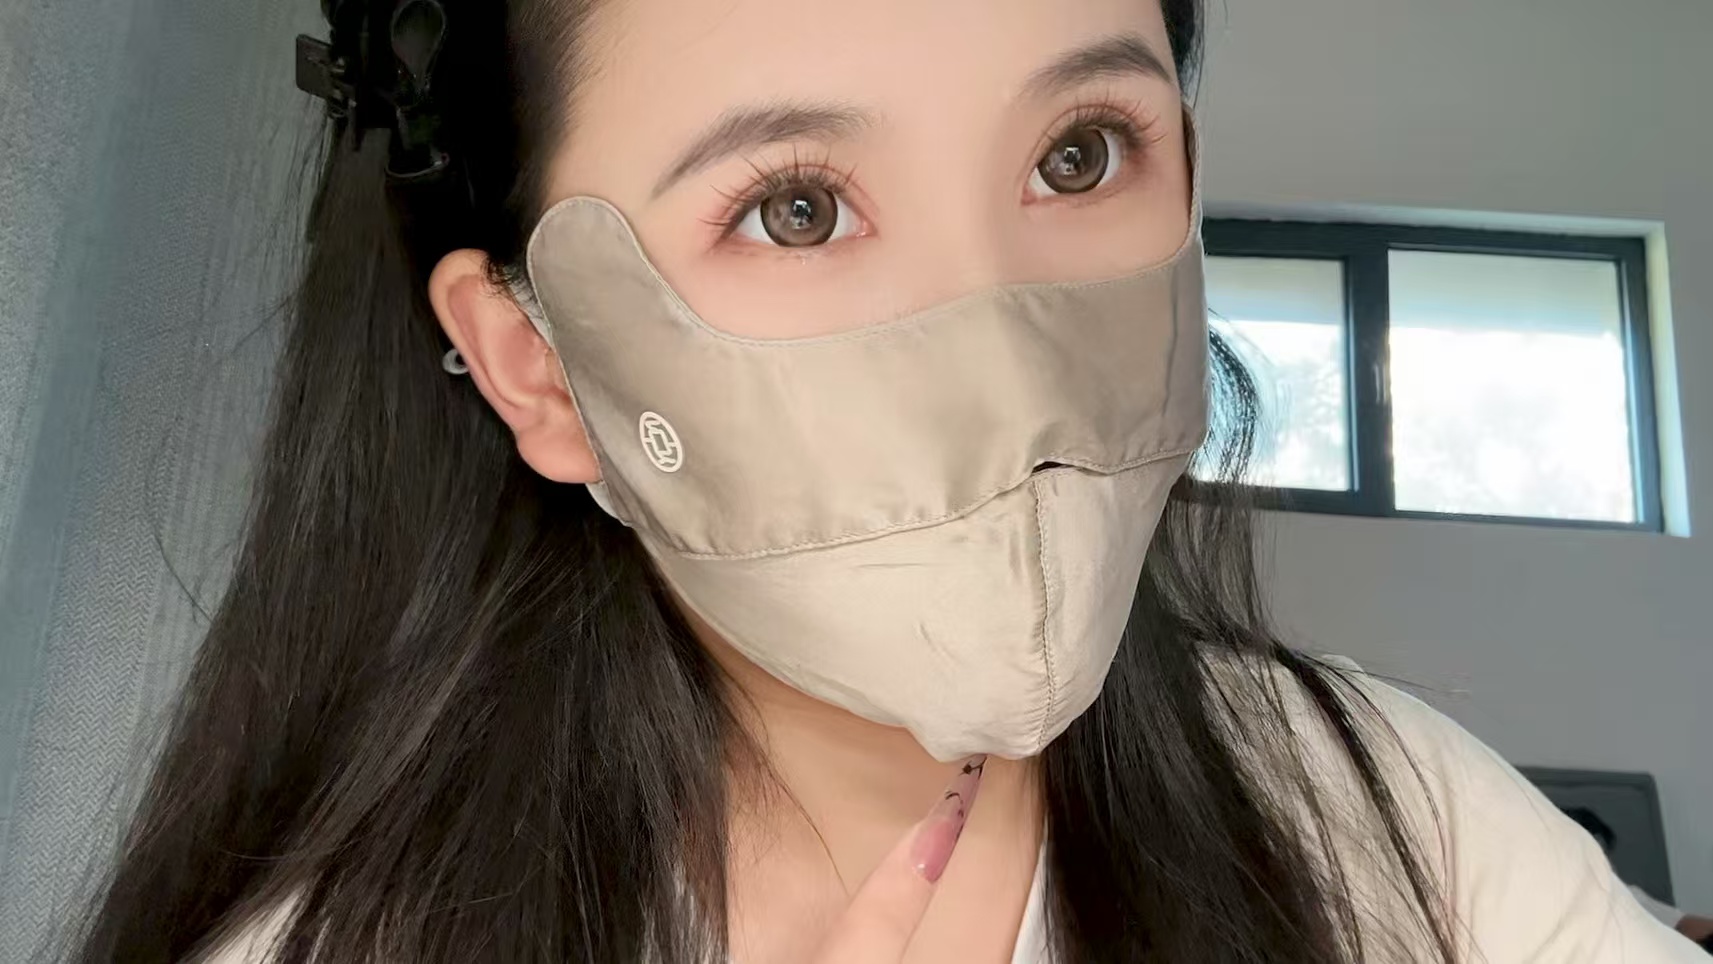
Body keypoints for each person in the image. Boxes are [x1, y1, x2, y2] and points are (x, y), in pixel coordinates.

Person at [54, 0, 1706, 962]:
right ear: (535, 365)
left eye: (1078, 155)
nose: (1008, 369)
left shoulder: (1392, 819)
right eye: (795, 208)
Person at [1563, 807, 1713, 951]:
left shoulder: (1623, 895)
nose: (1606, 867)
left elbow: (1682, 924)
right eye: (1591, 857)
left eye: (1604, 855)